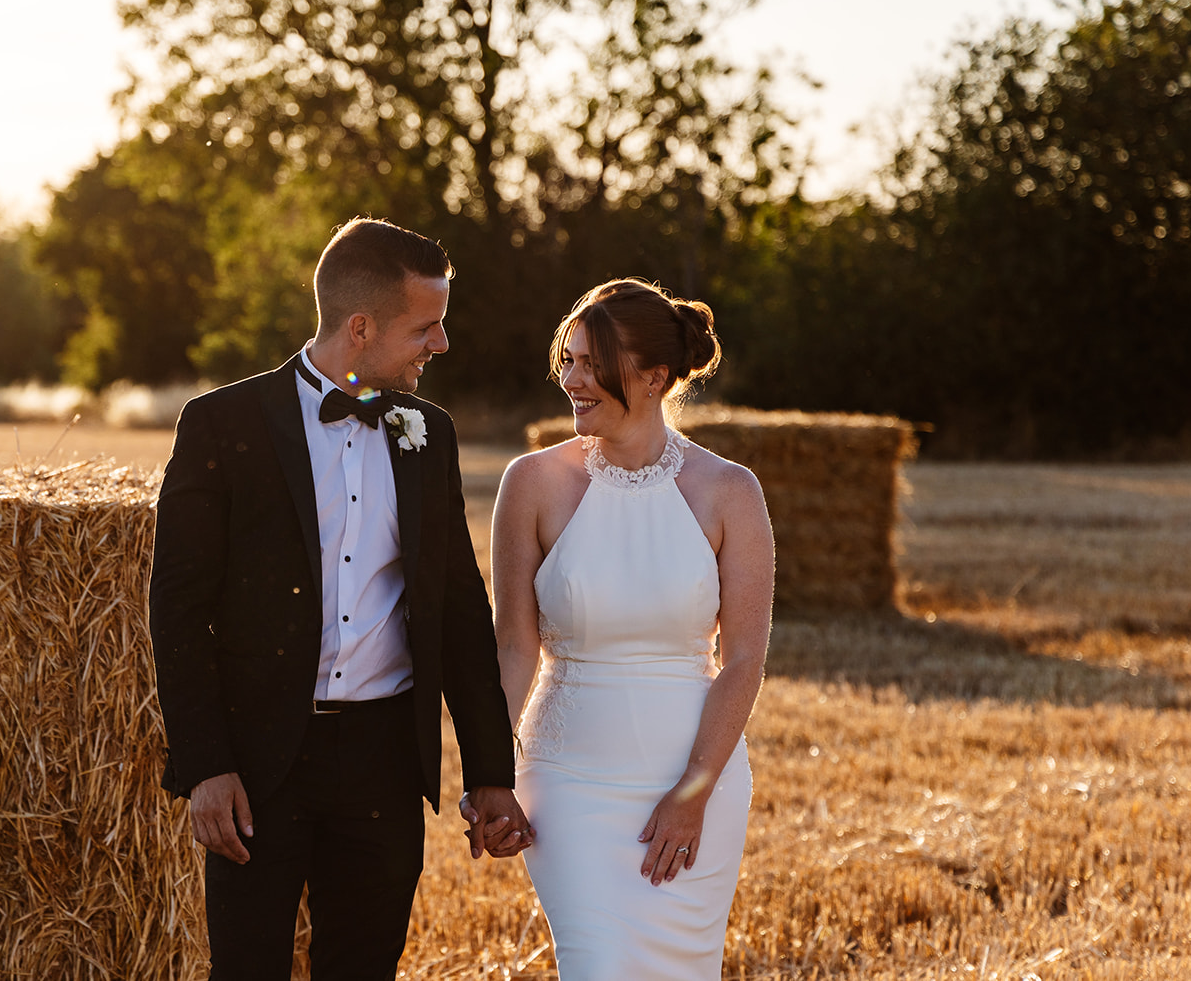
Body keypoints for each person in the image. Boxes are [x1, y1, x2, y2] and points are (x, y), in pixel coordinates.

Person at [148, 217, 532, 980]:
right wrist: (206, 765)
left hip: (385, 763)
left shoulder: (432, 433)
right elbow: (179, 605)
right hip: (257, 765)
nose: (442, 345)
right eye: (428, 326)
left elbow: (458, 606)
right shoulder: (223, 423)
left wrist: (492, 770)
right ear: (361, 326)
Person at [490, 279, 775, 978]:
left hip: (694, 781)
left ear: (655, 378)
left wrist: (693, 791)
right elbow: (514, 646)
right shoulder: (530, 483)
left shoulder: (730, 491)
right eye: (569, 360)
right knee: (598, 966)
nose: (572, 380)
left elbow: (743, 659)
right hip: (568, 782)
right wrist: (488, 771)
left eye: (592, 365)